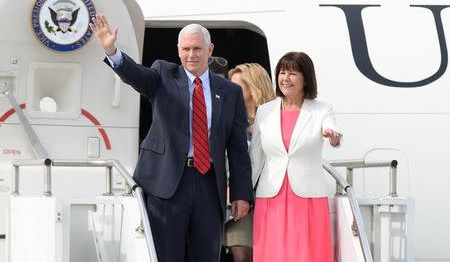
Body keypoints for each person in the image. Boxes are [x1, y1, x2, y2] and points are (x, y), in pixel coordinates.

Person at [89, 15, 253, 262]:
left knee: (208, 256)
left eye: (197, 48)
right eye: (185, 49)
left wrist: (241, 193)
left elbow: (238, 148)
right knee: (165, 256)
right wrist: (111, 50)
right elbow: (136, 76)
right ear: (178, 51)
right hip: (166, 185)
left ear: (210, 50)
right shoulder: (163, 74)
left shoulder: (229, 92)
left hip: (209, 185)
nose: (191, 55)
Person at [250, 52, 342, 262]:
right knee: (272, 254)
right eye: (282, 72)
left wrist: (333, 136)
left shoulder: (321, 109)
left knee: (306, 255)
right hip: (270, 196)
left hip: (308, 197)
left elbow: (332, 128)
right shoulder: (265, 111)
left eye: (293, 73)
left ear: (306, 78)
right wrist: (243, 194)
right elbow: (255, 158)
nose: (286, 78)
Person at [225, 63, 275, 262]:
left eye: (236, 86)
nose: (230, 90)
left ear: (255, 86)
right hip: (237, 197)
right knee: (242, 255)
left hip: (268, 197)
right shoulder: (229, 119)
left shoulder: (274, 119)